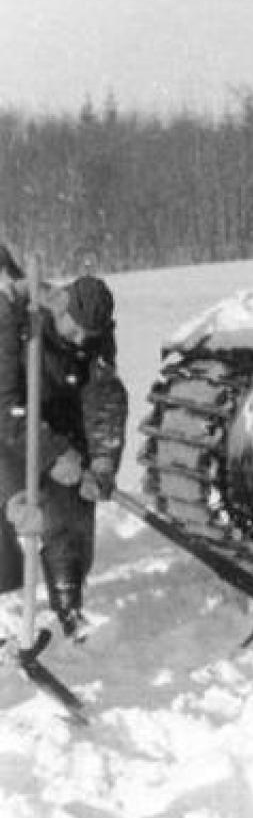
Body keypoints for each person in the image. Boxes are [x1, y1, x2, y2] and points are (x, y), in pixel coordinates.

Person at [0, 265, 127, 641]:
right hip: (7, 420)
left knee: (70, 507)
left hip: (51, 418)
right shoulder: (13, 319)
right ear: (59, 307)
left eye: (90, 336)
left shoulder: (97, 337)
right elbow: (3, 406)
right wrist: (53, 456)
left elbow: (104, 400)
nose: (81, 341)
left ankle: (69, 605)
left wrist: (101, 463)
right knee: (13, 505)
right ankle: (7, 609)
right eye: (74, 330)